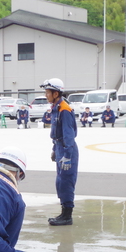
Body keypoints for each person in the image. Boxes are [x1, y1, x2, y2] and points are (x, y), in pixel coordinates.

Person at [42, 78, 78, 226]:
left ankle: (67, 216)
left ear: (56, 93)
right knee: (60, 182)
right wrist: (54, 149)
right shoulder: (56, 107)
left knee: (66, 182)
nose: (46, 95)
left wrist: (67, 156)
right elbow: (56, 132)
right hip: (59, 147)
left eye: (48, 92)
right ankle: (63, 213)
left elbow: (69, 135)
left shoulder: (64, 109)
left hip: (66, 149)